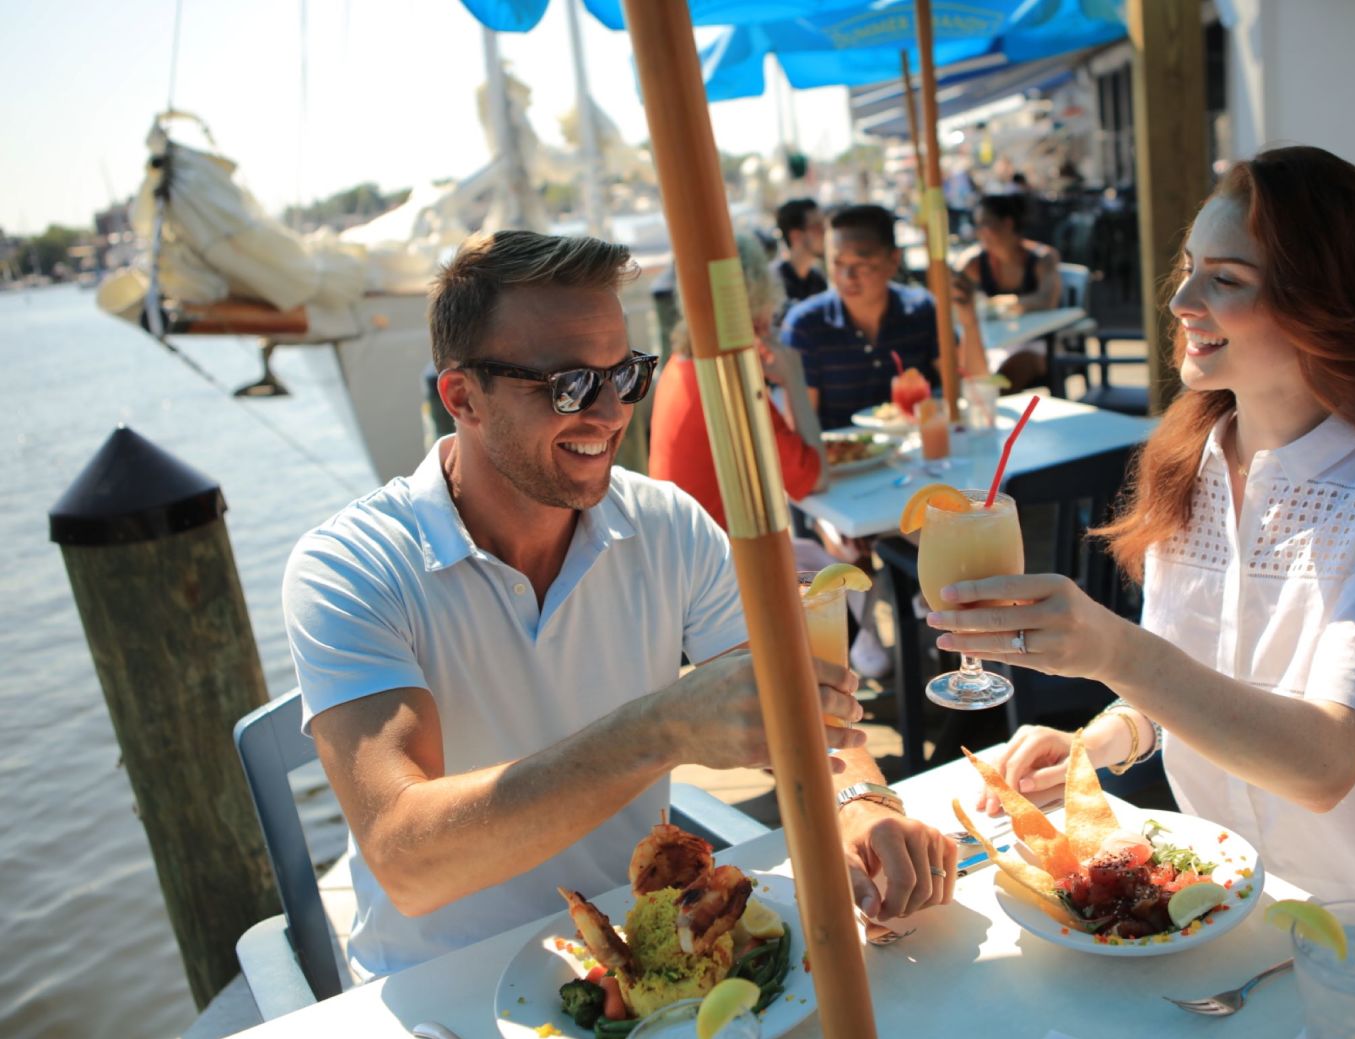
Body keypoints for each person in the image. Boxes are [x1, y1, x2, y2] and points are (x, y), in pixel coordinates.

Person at [283, 230, 956, 979]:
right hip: (442, 992)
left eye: (626, 375)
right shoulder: (349, 566)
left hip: (650, 957)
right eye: (570, 384)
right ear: (462, 397)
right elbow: (407, 861)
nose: (609, 414)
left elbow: (794, 708)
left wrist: (861, 801)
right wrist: (661, 728)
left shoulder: (667, 523)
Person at [931, 147, 1355, 950]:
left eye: (1226, 279)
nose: (1181, 300)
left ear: (1328, 304)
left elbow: (1325, 763)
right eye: (1190, 268)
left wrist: (1113, 650)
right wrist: (1099, 740)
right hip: (1214, 901)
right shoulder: (1187, 459)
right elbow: (1190, 677)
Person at [650, 232, 825, 532]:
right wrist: (793, 379)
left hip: (684, 555)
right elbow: (815, 479)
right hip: (722, 568)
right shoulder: (728, 384)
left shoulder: (680, 364)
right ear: (759, 307)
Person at [781, 204, 940, 431]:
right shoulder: (804, 326)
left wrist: (969, 321)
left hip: (921, 453)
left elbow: (964, 388)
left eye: (861, 264)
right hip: (846, 462)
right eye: (837, 263)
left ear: (894, 261)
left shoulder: (922, 310)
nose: (847, 277)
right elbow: (802, 429)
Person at [954, 193, 1062, 390]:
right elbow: (954, 287)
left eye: (985, 224)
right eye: (977, 226)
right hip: (995, 343)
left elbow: (1047, 300)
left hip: (1037, 343)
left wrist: (1003, 303)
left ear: (1008, 224)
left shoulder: (1041, 259)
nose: (980, 233)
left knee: (1003, 379)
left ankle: (1003, 417)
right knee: (967, 373)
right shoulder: (978, 263)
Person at [773, 198, 828, 314]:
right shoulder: (773, 284)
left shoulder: (817, 280)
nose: (825, 233)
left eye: (825, 226)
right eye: (818, 227)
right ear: (796, 235)